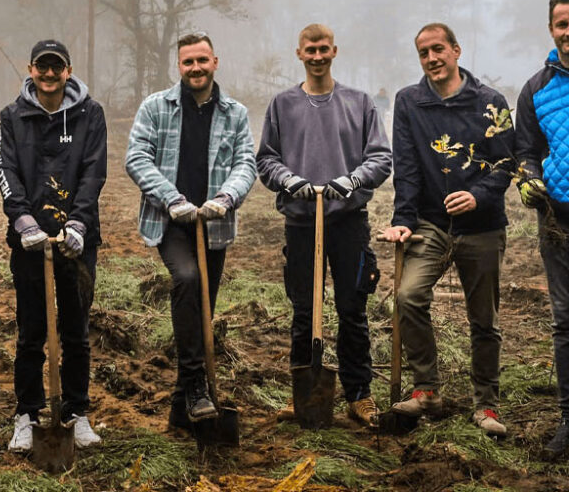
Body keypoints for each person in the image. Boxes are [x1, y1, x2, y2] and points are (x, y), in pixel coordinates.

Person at [256, 24, 391, 428]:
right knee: (303, 311)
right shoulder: (282, 104)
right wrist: (288, 180)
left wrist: (351, 180)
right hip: (301, 224)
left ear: (335, 50)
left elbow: (381, 158)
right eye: (310, 50)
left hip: (348, 222)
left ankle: (359, 394)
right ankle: (305, 395)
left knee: (352, 308)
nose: (317, 56)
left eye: (323, 49)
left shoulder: (359, 102)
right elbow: (266, 159)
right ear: (299, 53)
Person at [383, 23, 513, 437]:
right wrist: (403, 221)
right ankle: (427, 390)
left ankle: (487, 406)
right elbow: (405, 167)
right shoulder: (409, 102)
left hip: (482, 227)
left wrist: (478, 195)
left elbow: (506, 162)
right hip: (431, 224)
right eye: (423, 53)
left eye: (438, 49)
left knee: (484, 319)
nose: (431, 58)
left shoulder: (491, 102)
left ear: (456, 50)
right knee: (408, 295)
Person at [125, 32, 256, 428]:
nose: (195, 68)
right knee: (187, 279)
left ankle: (182, 412)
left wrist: (225, 198)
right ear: (178, 66)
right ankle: (198, 384)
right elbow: (136, 157)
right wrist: (173, 199)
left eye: (202, 60)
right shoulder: (156, 108)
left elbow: (246, 163)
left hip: (213, 224)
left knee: (203, 308)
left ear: (215, 61)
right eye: (187, 62)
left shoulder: (235, 113)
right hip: (171, 221)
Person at [0, 39, 107, 451]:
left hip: (77, 241)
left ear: (68, 71)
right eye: (41, 67)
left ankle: (76, 412)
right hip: (29, 243)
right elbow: (5, 169)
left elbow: (95, 171)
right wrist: (23, 221)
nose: (48, 74)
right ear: (30, 69)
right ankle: (27, 414)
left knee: (76, 331)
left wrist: (78, 223)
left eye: (55, 67)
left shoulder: (89, 114)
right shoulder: (12, 116)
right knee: (30, 332)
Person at [515, 0, 569, 459]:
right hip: (559, 221)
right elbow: (526, 152)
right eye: (562, 24)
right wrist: (529, 179)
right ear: (552, 29)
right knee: (566, 322)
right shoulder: (536, 89)